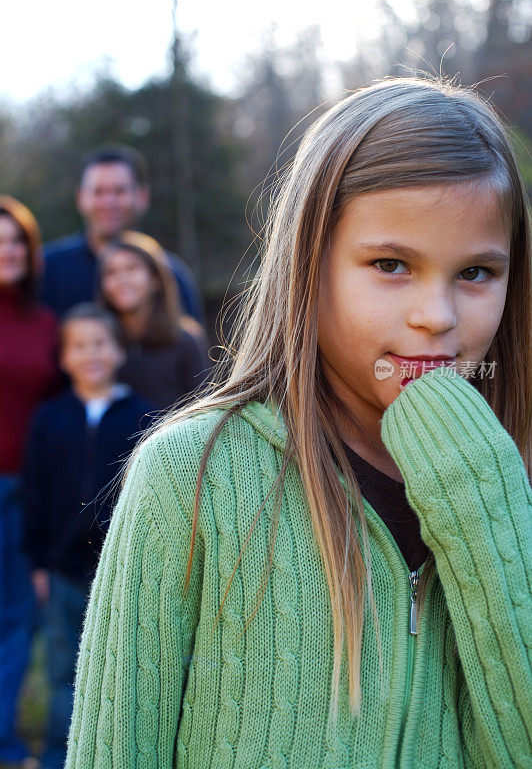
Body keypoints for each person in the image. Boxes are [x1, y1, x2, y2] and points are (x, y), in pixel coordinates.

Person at [65, 78, 531, 769]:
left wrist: (487, 513)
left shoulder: (513, 484)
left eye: (476, 273)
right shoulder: (190, 475)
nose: (438, 315)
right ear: (308, 265)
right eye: (392, 264)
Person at [21, 304, 152, 769]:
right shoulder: (49, 418)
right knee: (62, 669)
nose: (90, 354)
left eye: (100, 343)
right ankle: (59, 756)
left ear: (118, 350)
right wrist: (38, 562)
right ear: (64, 357)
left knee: (118, 670)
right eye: (79, 345)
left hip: (118, 568)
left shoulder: (143, 417)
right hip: (61, 570)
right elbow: (33, 493)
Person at [0, 196, 61, 767]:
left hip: (22, 489)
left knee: (17, 619)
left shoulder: (45, 323)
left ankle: (7, 740)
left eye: (17, 240)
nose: (9, 250)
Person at [40, 143, 204, 322]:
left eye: (119, 191)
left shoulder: (168, 275)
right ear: (80, 198)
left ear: (142, 196)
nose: (109, 202)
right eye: (98, 192)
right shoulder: (46, 269)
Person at [98, 231, 210, 412]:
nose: (121, 280)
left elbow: (203, 410)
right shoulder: (100, 342)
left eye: (131, 268)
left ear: (155, 279)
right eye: (111, 272)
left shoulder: (186, 340)